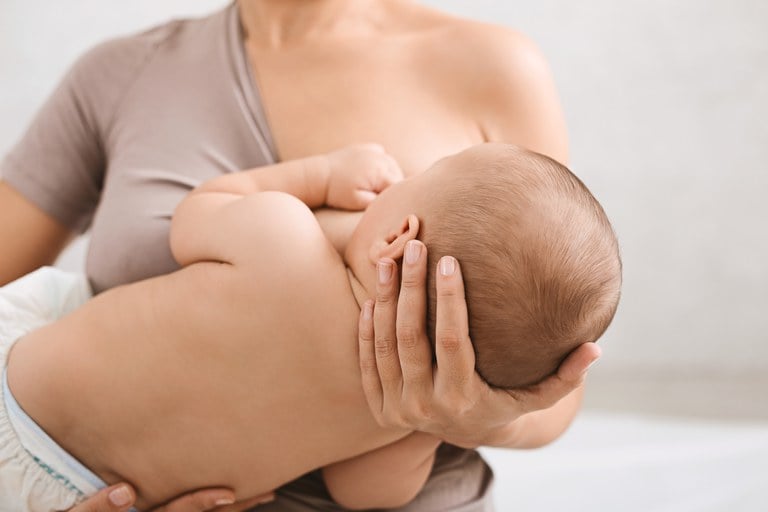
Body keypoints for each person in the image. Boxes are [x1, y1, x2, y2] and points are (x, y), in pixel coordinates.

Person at [0, 1, 598, 510]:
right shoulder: (122, 74)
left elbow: (554, 379)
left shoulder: (493, 67)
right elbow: (364, 489)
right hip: (79, 471)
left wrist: (468, 415)